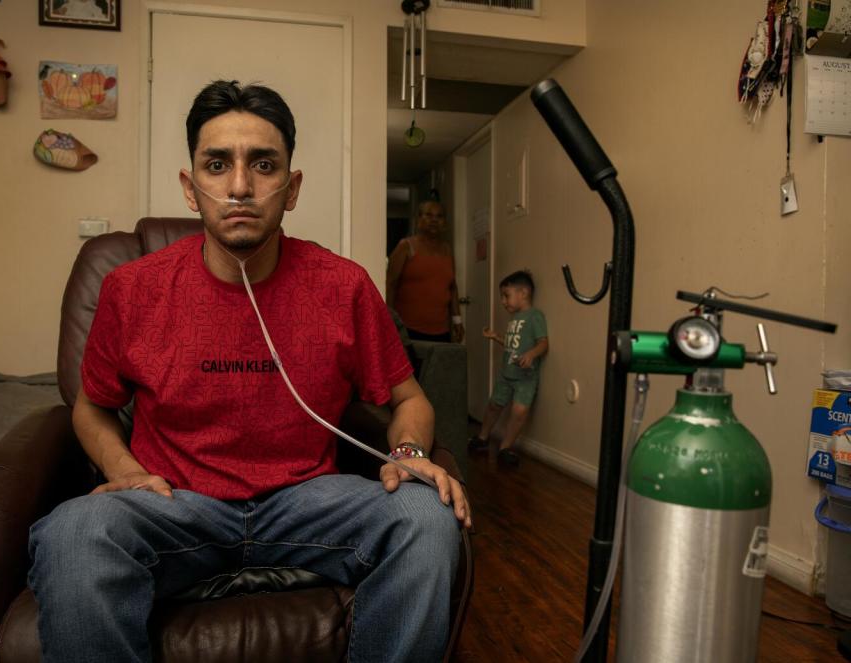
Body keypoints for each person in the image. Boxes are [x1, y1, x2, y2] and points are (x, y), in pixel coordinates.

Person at [27, 80, 471, 663]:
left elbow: (410, 399)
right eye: (218, 165)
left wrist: (411, 455)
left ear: (291, 188)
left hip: (307, 500)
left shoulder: (344, 286)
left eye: (263, 165)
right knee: (73, 532)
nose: (240, 187)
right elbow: (91, 404)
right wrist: (124, 470)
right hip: (174, 504)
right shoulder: (131, 288)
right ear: (191, 189)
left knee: (425, 517)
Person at [468, 270, 548, 467]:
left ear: (523, 293)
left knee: (519, 411)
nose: (503, 301)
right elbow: (513, 345)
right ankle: (483, 437)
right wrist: (496, 337)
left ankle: (505, 447)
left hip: (525, 377)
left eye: (506, 295)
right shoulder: (514, 319)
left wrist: (531, 354)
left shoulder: (535, 316)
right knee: (494, 405)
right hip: (506, 374)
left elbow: (543, 343)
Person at [386, 200, 464, 342]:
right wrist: (390, 322)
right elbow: (390, 284)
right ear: (418, 219)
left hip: (442, 332)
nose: (434, 220)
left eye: (439, 216)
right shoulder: (406, 246)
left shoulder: (447, 250)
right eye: (429, 215)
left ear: (444, 222)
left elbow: (452, 287)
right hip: (408, 330)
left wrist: (457, 321)